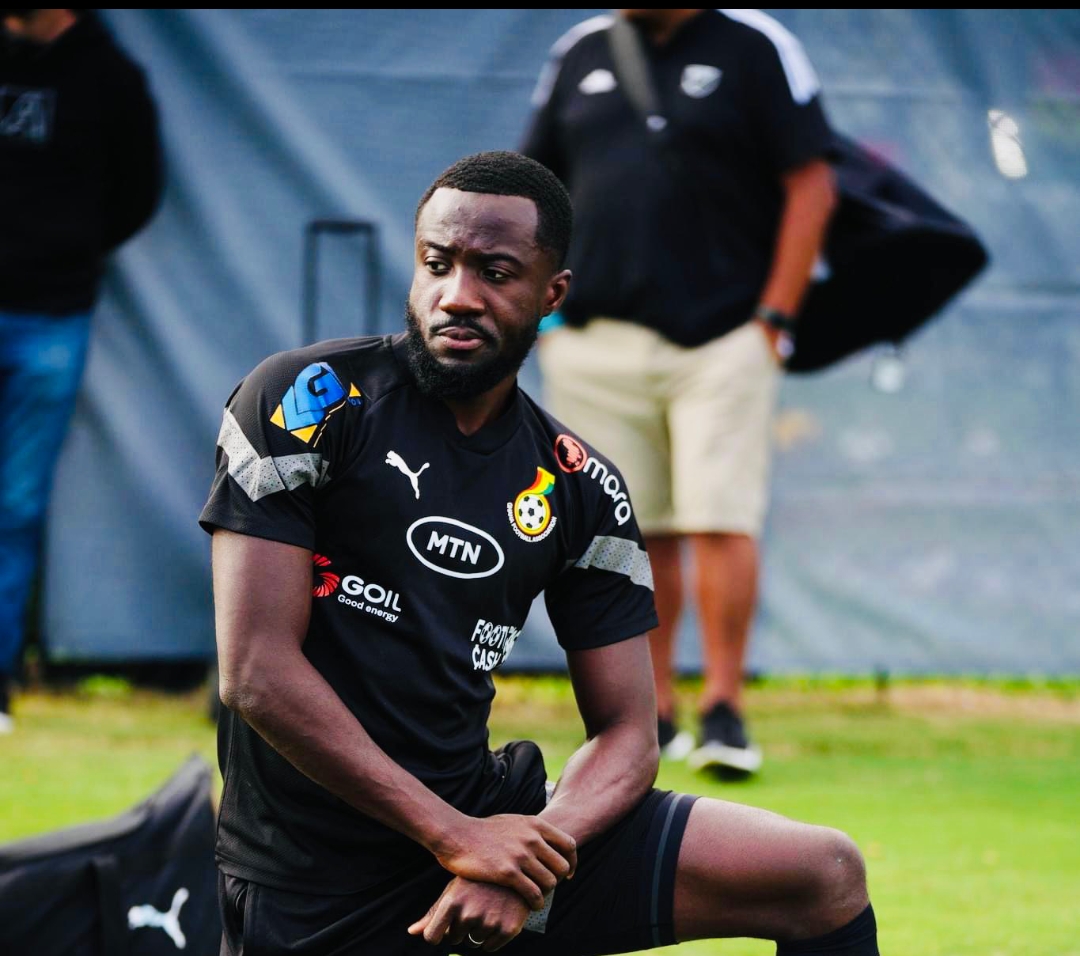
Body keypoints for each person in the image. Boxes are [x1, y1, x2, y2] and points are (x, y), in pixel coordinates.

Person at [199, 150, 877, 955]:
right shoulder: (307, 401)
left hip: (490, 828)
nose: (458, 295)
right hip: (316, 881)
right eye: (437, 264)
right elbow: (256, 672)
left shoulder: (578, 483)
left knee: (822, 873)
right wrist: (455, 838)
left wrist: (527, 857)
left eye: (495, 272)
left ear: (552, 295)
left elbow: (628, 735)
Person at [520, 9, 838, 774]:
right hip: (595, 342)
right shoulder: (579, 50)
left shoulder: (757, 45)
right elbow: (532, 189)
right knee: (630, 530)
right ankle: (649, 716)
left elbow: (812, 183)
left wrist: (773, 320)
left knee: (720, 517)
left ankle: (725, 711)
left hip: (724, 338)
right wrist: (548, 319)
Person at [0, 8, 164, 731]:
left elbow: (137, 193)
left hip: (51, 315)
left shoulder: (110, 76)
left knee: (14, 507)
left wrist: (65, 249)